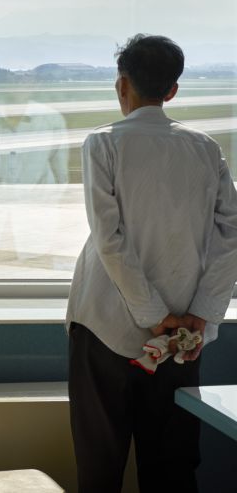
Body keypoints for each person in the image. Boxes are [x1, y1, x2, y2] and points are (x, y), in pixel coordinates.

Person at [66, 35, 237, 493]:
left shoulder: (102, 143)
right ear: (173, 90)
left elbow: (110, 240)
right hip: (184, 339)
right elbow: (231, 236)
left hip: (106, 328)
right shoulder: (206, 149)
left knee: (100, 468)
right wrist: (199, 313)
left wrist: (152, 315)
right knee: (174, 467)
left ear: (122, 86)